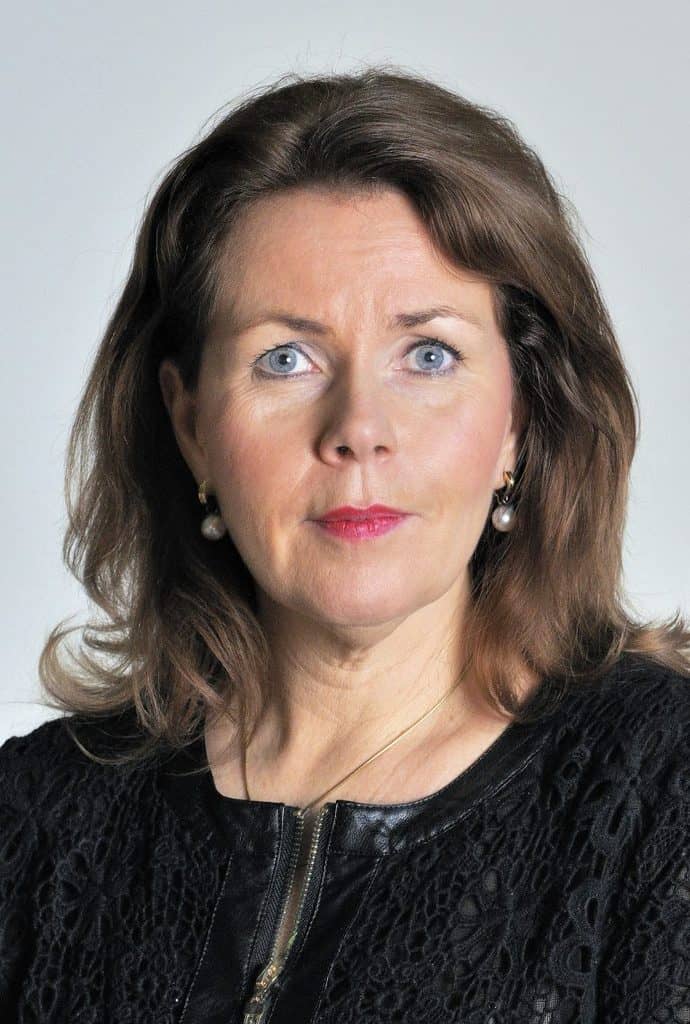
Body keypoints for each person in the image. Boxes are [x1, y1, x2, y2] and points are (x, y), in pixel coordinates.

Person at [1, 66, 688, 1024]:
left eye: (429, 355)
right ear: (191, 425)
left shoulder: (660, 788)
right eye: (286, 359)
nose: (359, 428)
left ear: (518, 422)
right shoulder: (36, 820)